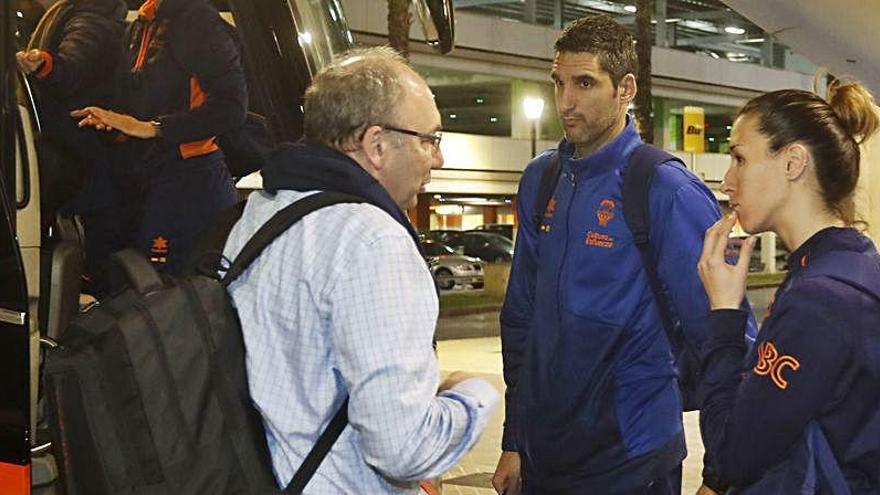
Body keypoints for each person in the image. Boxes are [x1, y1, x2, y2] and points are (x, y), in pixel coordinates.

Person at [493, 14, 755, 494]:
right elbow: (520, 318)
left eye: (586, 83)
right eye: (560, 83)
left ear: (626, 88)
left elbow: (725, 332)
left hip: (631, 459)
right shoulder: (540, 178)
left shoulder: (666, 188)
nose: (566, 102)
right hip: (545, 456)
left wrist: (723, 473)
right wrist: (514, 438)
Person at [222, 47, 499, 493]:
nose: (438, 158)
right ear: (376, 145)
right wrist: (473, 395)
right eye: (429, 139)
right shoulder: (373, 241)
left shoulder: (263, 212)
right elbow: (401, 448)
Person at [697, 82, 880, 493]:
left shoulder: (820, 300)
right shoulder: (854, 263)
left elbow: (732, 457)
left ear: (794, 163)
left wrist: (725, 316)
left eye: (740, 158)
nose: (727, 182)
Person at [73, 0, 245, 276]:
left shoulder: (200, 22)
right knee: (134, 285)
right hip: (146, 174)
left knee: (167, 297)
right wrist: (113, 123)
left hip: (191, 179)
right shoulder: (140, 24)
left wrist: (153, 128)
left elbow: (232, 107)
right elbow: (135, 105)